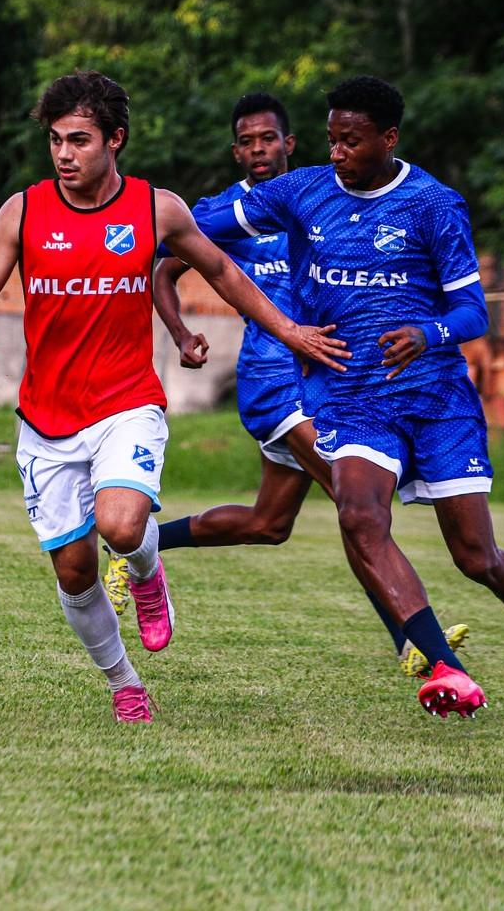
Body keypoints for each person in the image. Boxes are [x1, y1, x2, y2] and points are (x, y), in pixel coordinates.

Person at [192, 75, 504, 726]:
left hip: (435, 403)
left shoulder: (434, 205)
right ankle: (444, 667)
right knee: (359, 515)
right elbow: (192, 223)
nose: (338, 151)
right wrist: (127, 218)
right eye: (331, 138)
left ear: (388, 138)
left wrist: (429, 332)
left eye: (352, 140)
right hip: (352, 397)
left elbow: (472, 312)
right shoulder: (301, 192)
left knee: (476, 557)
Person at [0, 71, 347, 724]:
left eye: (78, 140)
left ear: (115, 139)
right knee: (76, 572)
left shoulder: (154, 209)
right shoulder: (21, 212)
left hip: (126, 403)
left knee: (120, 524)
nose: (63, 155)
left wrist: (286, 330)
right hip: (45, 419)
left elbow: (221, 269)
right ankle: (124, 682)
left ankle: (144, 570)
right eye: (55, 141)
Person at [103, 92, 468, 679]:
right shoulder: (221, 213)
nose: (257, 150)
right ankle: (414, 643)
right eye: (245, 142)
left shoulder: (316, 200)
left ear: (289, 143)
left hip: (325, 376)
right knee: (356, 505)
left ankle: (141, 542)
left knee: (268, 524)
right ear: (235, 151)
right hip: (274, 380)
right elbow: (163, 266)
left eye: (267, 139)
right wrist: (179, 332)